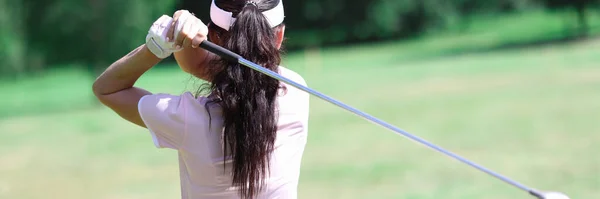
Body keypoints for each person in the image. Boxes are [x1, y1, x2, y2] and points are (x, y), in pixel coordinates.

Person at [91, 0, 309, 198]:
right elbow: (237, 74)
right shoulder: (296, 92)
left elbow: (106, 89)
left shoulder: (187, 117)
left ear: (214, 37)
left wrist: (158, 46)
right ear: (279, 37)